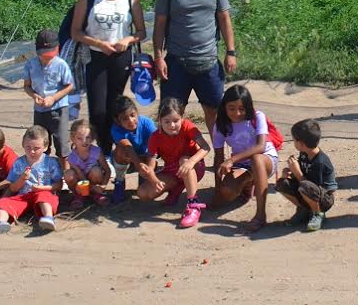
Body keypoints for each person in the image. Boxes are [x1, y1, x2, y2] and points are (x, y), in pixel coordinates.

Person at [154, 0, 238, 129]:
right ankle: (173, 157)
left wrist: (231, 52)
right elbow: (159, 24)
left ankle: (218, 156)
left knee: (214, 111)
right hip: (176, 62)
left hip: (208, 61)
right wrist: (158, 57)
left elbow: (224, 19)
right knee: (171, 114)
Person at [70, 0, 148, 155]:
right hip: (95, 56)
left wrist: (127, 40)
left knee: (115, 107)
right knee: (97, 109)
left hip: (120, 57)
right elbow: (75, 31)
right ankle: (102, 152)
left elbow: (141, 31)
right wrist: (97, 43)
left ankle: (117, 150)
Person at [211, 84, 280, 232]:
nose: (237, 113)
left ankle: (260, 215)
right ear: (224, 107)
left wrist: (232, 160)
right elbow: (218, 156)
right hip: (242, 164)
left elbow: (261, 147)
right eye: (232, 108)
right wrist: (217, 191)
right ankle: (248, 184)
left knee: (256, 159)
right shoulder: (220, 125)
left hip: (265, 159)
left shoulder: (257, 116)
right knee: (227, 192)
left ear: (248, 107)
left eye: (242, 109)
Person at [142, 97, 210, 229]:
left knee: (183, 160)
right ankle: (176, 189)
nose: (172, 125)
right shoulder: (155, 137)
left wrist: (191, 162)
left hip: (194, 167)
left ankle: (193, 205)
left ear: (182, 118)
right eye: (167, 121)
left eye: (175, 120)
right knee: (144, 194)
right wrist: (153, 179)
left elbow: (206, 147)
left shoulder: (188, 127)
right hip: (172, 170)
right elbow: (150, 166)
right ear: (160, 121)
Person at [0, 126, 61, 235]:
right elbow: (13, 188)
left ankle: (48, 218)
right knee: (4, 202)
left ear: (45, 147)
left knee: (45, 196)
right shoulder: (19, 163)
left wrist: (43, 188)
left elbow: (59, 184)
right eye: (28, 147)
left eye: (36, 148)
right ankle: (0, 222)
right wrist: (22, 179)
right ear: (23, 144)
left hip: (43, 193)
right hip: (23, 196)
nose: (32, 151)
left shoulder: (50, 162)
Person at [276, 118, 338, 232]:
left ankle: (318, 214)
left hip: (324, 198)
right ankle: (304, 210)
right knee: (282, 183)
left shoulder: (320, 161)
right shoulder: (304, 153)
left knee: (305, 186)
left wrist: (297, 173)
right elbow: (303, 175)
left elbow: (314, 187)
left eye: (294, 140)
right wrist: (290, 173)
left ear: (301, 143)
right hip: (309, 190)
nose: (293, 142)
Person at [23, 29, 75, 158]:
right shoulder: (30, 65)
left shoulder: (61, 65)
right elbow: (27, 86)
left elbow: (70, 86)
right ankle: (42, 173)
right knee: (39, 143)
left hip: (59, 109)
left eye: (49, 54)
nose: (46, 57)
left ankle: (65, 174)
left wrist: (53, 98)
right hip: (40, 110)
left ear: (57, 49)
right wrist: (34, 95)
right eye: (43, 54)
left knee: (62, 145)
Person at [109, 97, 156, 203]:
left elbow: (155, 146)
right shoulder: (116, 129)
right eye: (125, 118)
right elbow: (127, 147)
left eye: (132, 115)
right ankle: (119, 182)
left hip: (146, 157)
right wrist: (138, 164)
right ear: (117, 121)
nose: (130, 121)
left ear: (137, 113)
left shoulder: (147, 123)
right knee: (121, 150)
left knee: (144, 192)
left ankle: (144, 179)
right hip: (127, 159)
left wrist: (150, 169)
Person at [63, 117, 111, 211]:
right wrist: (86, 187)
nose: (84, 141)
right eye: (80, 138)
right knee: (68, 174)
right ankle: (79, 195)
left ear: (92, 137)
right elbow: (80, 176)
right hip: (81, 182)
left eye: (87, 137)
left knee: (96, 170)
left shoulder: (96, 151)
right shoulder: (72, 157)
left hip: (95, 181)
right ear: (73, 138)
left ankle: (96, 194)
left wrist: (103, 186)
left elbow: (107, 170)